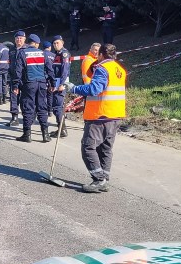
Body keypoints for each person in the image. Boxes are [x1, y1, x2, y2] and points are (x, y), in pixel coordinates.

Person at [69, 43, 126, 192]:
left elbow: (95, 89)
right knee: (105, 148)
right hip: (116, 114)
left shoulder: (102, 68)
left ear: (101, 55)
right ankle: (104, 179)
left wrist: (73, 88)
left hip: (100, 115)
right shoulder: (119, 69)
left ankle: (98, 179)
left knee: (88, 147)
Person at [13, 33, 55, 143]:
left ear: (28, 42)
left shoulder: (23, 53)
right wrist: (52, 83)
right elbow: (50, 70)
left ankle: (27, 134)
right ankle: (45, 135)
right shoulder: (43, 53)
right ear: (36, 43)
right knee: (42, 108)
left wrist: (15, 85)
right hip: (41, 84)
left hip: (29, 84)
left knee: (28, 108)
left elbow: (18, 71)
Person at [49, 35, 71, 138]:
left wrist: (62, 84)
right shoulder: (56, 54)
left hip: (60, 83)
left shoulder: (64, 54)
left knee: (57, 106)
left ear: (62, 43)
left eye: (57, 43)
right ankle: (61, 128)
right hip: (56, 82)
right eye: (54, 43)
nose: (55, 45)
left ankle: (62, 130)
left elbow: (65, 70)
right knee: (56, 106)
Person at [5, 30, 26, 127]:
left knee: (25, 99)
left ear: (24, 39)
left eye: (21, 38)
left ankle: (27, 117)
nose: (19, 40)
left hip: (24, 78)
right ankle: (14, 118)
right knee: (14, 98)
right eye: (17, 38)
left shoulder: (27, 49)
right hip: (14, 78)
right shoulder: (12, 49)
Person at [42, 41, 54, 117]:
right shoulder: (54, 55)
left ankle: (42, 110)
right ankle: (50, 111)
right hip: (51, 76)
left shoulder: (41, 54)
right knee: (50, 94)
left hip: (43, 76)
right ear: (50, 47)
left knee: (42, 95)